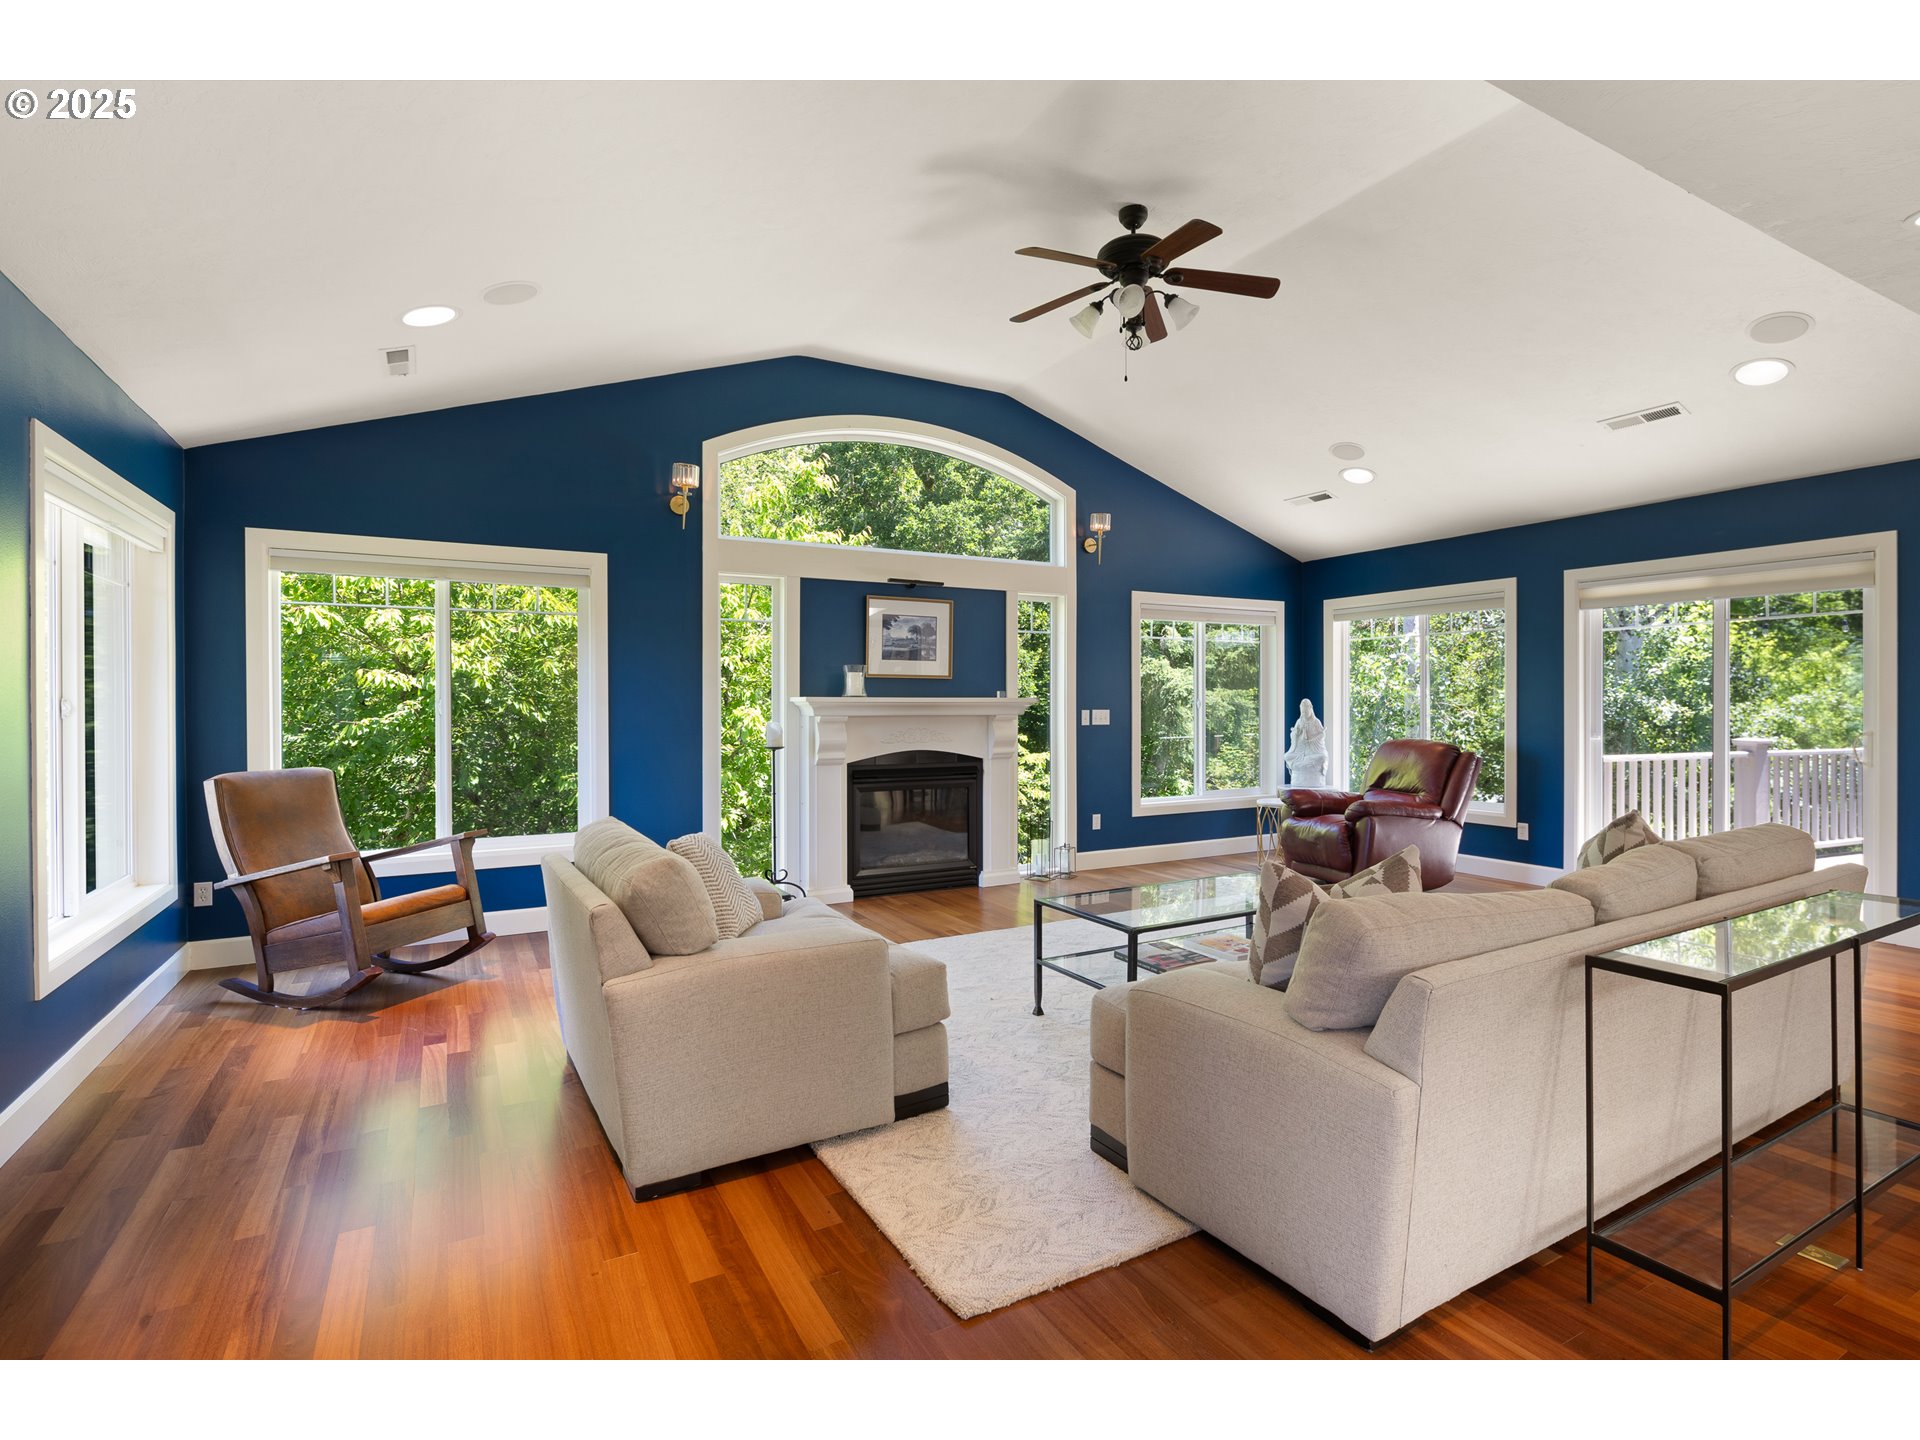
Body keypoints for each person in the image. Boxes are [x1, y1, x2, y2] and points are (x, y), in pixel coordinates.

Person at [1284, 699, 1329, 787]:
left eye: (1306, 711)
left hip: (1313, 751)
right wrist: (1295, 733)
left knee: (1322, 757)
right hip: (1301, 751)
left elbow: (1322, 736)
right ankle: (1305, 761)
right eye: (1303, 711)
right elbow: (1294, 736)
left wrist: (1315, 738)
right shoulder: (1299, 722)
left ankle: (1305, 761)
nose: (1304, 713)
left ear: (1310, 709)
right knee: (1287, 756)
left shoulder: (1316, 722)